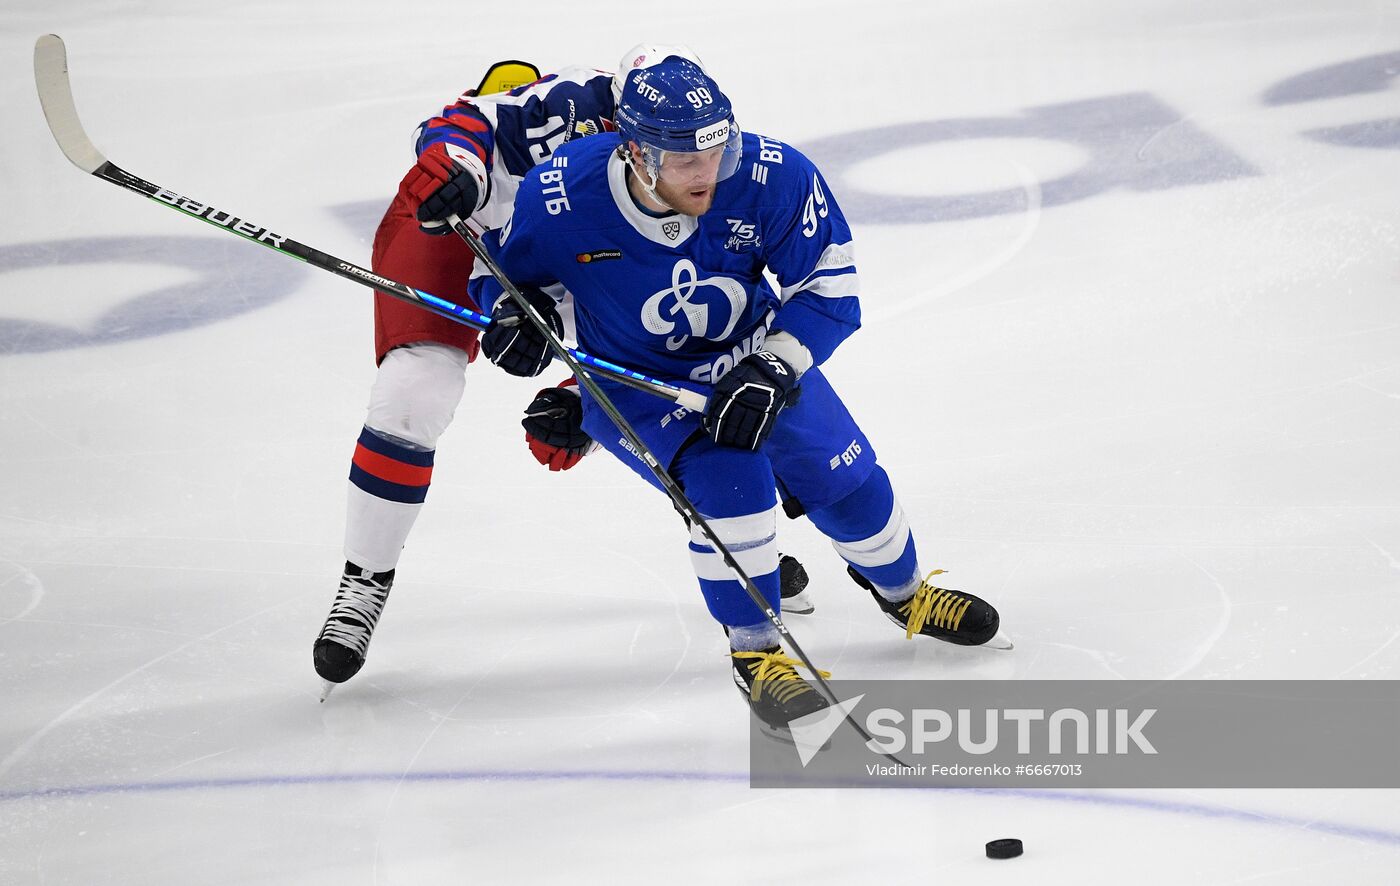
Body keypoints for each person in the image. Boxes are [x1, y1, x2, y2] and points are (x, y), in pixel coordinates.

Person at [468, 55, 1008, 735]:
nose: (709, 174)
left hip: (751, 357)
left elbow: (830, 286)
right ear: (636, 153)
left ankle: (904, 595)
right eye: (685, 160)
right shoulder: (561, 194)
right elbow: (504, 275)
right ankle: (755, 656)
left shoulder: (772, 176)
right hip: (636, 387)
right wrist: (512, 315)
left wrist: (776, 368)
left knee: (851, 486)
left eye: (718, 150)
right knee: (732, 480)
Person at [313, 45, 811, 693]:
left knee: (682, 389)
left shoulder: (695, 184)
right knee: (414, 394)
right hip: (456, 227)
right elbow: (457, 123)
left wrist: (582, 397)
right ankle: (365, 580)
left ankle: (730, 530)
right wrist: (454, 168)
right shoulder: (574, 106)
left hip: (561, 258)